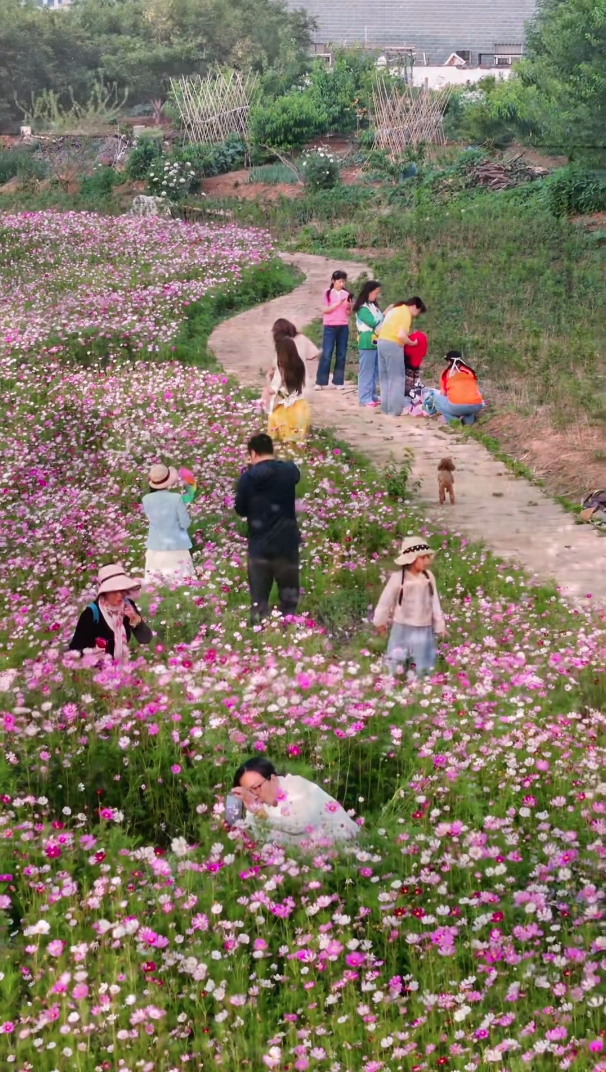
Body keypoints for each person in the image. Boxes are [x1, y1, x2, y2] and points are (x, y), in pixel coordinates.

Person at [234, 433, 301, 623]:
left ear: (252, 453)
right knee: (288, 596)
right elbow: (295, 476)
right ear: (272, 450)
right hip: (286, 545)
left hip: (259, 546)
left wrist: (249, 471)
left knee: (259, 598)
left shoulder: (248, 478)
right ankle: (289, 630)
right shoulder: (289, 470)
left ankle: (259, 634)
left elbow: (240, 509)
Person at [231, 757, 359, 845]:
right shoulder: (256, 804)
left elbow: (298, 825)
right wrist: (237, 830)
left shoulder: (296, 785)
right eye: (248, 791)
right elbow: (257, 839)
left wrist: (258, 811)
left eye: (256, 787)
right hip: (305, 861)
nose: (254, 794)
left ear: (273, 779)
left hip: (344, 846)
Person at [373, 537, 445, 677]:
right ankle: (392, 682)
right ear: (412, 559)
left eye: (427, 558)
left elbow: (434, 602)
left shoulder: (428, 577)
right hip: (402, 626)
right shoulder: (398, 578)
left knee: (423, 662)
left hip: (424, 627)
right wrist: (380, 622)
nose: (427, 562)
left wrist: (439, 625)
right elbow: (385, 602)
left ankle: (422, 686)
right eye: (423, 558)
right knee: (396, 659)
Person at [69, 562, 152, 660]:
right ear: (105, 592)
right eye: (113, 590)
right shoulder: (92, 613)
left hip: (122, 669)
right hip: (96, 671)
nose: (120, 595)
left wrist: (136, 621)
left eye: (122, 590)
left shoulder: (128, 605)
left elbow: (145, 639)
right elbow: (73, 651)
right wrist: (90, 653)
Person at [142, 464, 195, 584]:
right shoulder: (176, 498)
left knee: (156, 585)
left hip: (155, 548)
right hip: (177, 548)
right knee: (182, 583)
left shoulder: (146, 499)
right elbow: (185, 523)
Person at [377, 297, 426, 416]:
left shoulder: (395, 310)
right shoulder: (406, 313)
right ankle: (395, 410)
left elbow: (378, 330)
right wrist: (412, 342)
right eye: (417, 312)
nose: (415, 315)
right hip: (393, 346)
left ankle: (385, 408)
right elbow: (401, 336)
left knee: (385, 378)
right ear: (414, 306)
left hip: (381, 342)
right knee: (397, 379)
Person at [265, 337, 311, 443]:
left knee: (281, 438)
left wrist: (268, 378)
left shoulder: (282, 367)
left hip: (286, 408)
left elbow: (272, 390)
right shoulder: (299, 364)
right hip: (300, 405)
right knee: (297, 440)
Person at [315, 270, 352, 390]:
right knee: (327, 353)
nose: (341, 284)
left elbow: (349, 313)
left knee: (341, 354)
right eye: (339, 281)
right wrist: (338, 304)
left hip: (343, 326)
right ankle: (320, 381)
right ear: (333, 281)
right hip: (330, 326)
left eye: (343, 281)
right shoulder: (327, 293)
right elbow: (325, 310)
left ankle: (338, 381)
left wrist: (348, 307)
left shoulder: (346, 294)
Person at [430, 351, 485, 426]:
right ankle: (468, 422)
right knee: (467, 403)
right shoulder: (469, 371)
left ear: (449, 361)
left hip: (458, 407)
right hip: (477, 405)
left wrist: (439, 410)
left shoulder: (446, 373)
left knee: (436, 398)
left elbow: (443, 393)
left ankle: (455, 423)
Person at [353, 280, 383, 407]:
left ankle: (372, 394)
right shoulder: (362, 308)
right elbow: (373, 322)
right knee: (366, 370)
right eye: (375, 293)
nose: (377, 295)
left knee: (375, 370)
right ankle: (364, 397)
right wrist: (385, 313)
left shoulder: (373, 306)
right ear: (369, 292)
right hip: (366, 341)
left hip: (376, 341)